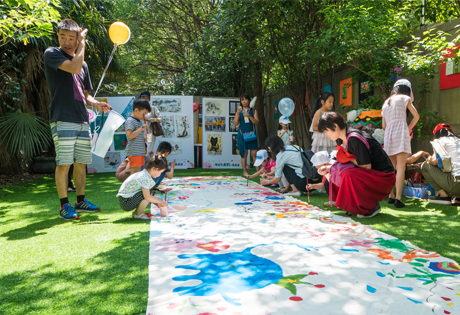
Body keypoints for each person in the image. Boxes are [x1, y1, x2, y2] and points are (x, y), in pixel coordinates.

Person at [44, 19, 112, 220]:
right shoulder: (52, 54)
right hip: (62, 117)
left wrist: (96, 103)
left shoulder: (83, 65)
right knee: (64, 163)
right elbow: (73, 67)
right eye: (63, 37)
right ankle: (64, 206)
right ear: (58, 36)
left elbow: (85, 95)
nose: (67, 41)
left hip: (82, 119)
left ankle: (80, 201)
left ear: (76, 37)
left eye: (71, 38)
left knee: (81, 163)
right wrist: (82, 44)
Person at [316, 112, 396, 218]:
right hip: (373, 175)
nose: (326, 135)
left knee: (347, 174)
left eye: (326, 131)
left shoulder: (354, 138)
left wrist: (347, 158)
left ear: (335, 126)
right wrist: (331, 168)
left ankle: (370, 206)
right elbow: (348, 163)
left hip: (384, 177)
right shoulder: (341, 139)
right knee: (332, 177)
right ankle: (359, 205)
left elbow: (366, 166)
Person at [382, 79, 419, 208]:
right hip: (401, 133)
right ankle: (398, 198)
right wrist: (409, 129)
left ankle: (390, 195)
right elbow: (416, 116)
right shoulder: (405, 98)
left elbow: (384, 125)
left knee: (391, 168)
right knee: (401, 167)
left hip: (388, 135)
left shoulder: (386, 102)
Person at [117, 155, 169, 219]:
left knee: (148, 193)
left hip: (126, 200)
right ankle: (138, 214)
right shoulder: (145, 177)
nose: (160, 174)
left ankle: (137, 213)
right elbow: (147, 197)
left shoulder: (144, 174)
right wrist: (161, 201)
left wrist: (158, 204)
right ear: (155, 169)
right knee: (147, 195)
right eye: (160, 172)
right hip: (126, 202)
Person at [421, 124, 460, 205]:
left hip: (456, 184)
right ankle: (458, 198)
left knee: (425, 165)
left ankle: (444, 196)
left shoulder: (439, 141)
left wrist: (428, 158)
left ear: (436, 134)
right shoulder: (458, 140)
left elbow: (435, 161)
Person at [234, 93, 259, 176]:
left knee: (254, 154)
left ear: (249, 100)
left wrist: (250, 117)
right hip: (241, 134)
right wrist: (237, 114)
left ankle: (258, 171)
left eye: (246, 99)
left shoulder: (253, 111)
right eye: (242, 100)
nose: (244, 101)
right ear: (241, 101)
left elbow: (257, 122)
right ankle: (244, 172)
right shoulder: (239, 110)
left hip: (252, 134)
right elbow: (235, 123)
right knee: (244, 154)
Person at [125, 99, 151, 175]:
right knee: (134, 175)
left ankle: (135, 187)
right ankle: (131, 187)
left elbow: (136, 136)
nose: (144, 116)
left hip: (139, 152)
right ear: (136, 110)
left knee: (137, 174)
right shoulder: (130, 120)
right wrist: (141, 129)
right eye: (144, 113)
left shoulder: (138, 121)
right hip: (134, 152)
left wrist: (145, 139)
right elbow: (129, 136)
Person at [140, 91, 162, 156]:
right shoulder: (136, 109)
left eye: (146, 98)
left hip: (148, 133)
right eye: (143, 97)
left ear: (149, 99)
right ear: (139, 98)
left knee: (148, 151)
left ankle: (147, 165)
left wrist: (154, 119)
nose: (144, 99)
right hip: (138, 133)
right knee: (138, 152)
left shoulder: (153, 109)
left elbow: (161, 119)